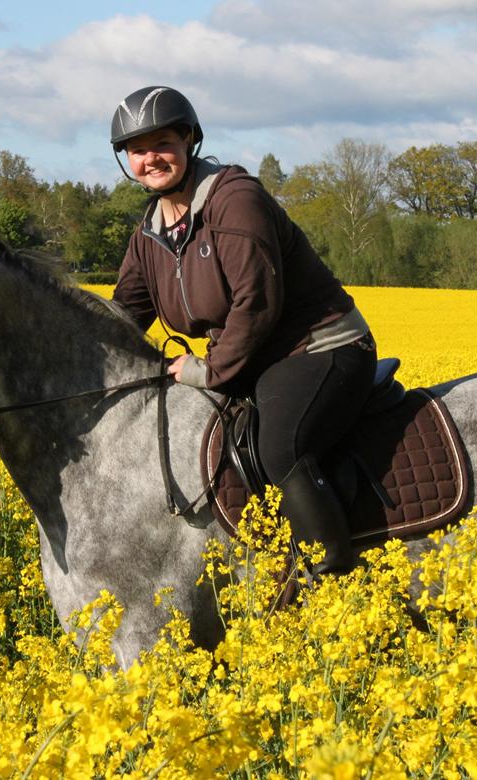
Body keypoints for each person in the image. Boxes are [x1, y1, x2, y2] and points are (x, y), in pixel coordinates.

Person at [109, 85, 377, 575]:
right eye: (138, 150)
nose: (151, 159)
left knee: (282, 447)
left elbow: (256, 306)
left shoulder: (235, 200)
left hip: (318, 346)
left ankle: (335, 575)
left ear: (189, 140)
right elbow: (124, 312)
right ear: (126, 159)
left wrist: (209, 372)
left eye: (162, 143)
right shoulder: (149, 233)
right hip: (251, 360)